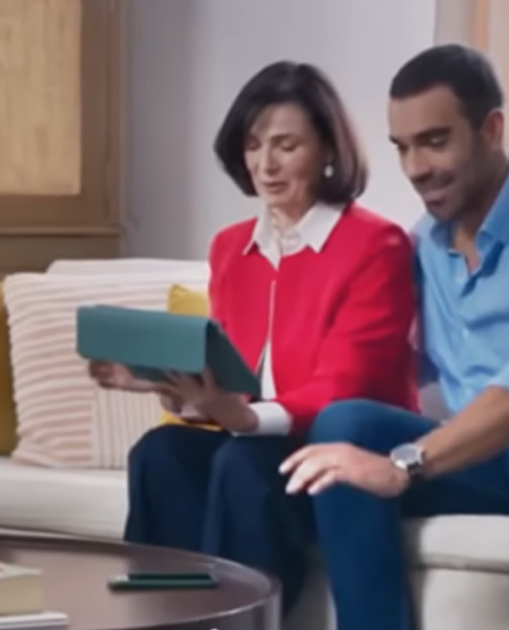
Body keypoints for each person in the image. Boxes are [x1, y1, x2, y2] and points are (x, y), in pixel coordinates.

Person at [89, 61, 418, 615]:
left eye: (287, 146)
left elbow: (347, 383)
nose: (266, 165)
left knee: (242, 463)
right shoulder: (231, 248)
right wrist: (169, 387)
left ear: (328, 149)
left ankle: (238, 624)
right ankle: (160, 620)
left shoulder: (375, 244)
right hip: (256, 439)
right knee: (161, 452)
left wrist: (243, 419)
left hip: (336, 446)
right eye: (253, 145)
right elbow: (234, 377)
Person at [281, 44, 509, 629]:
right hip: (483, 464)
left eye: (435, 141)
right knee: (345, 426)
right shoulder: (421, 245)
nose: (416, 167)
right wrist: (215, 392)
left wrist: (407, 464)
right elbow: (370, 357)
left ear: (491, 129)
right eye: (402, 147)